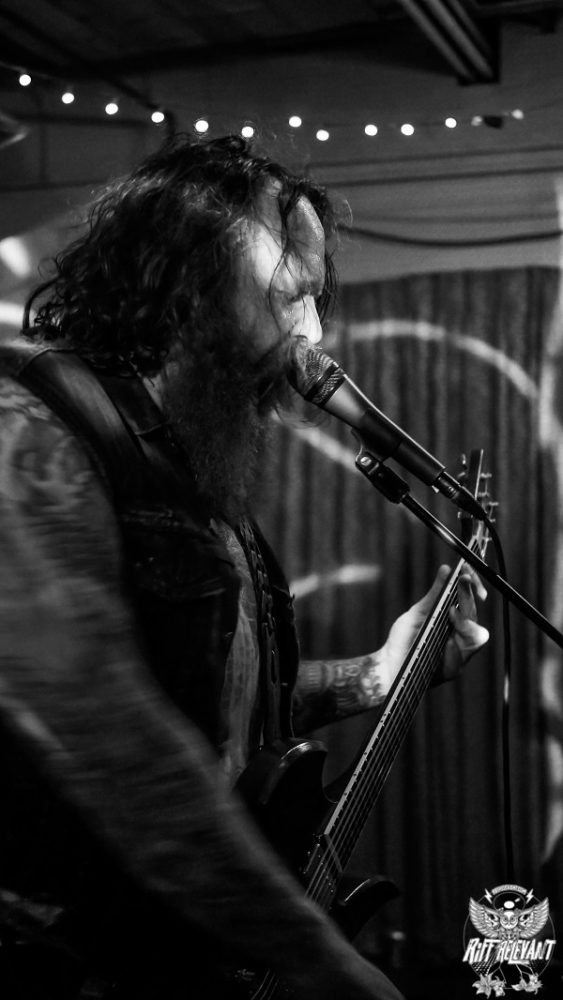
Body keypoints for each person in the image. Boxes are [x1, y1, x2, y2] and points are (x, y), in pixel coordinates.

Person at [0, 134, 488, 1000]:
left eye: (316, 295)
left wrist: (372, 676)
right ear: (183, 282)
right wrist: (320, 960)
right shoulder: (29, 428)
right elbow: (113, 742)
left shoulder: (192, 478)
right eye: (290, 291)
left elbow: (207, 709)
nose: (315, 331)